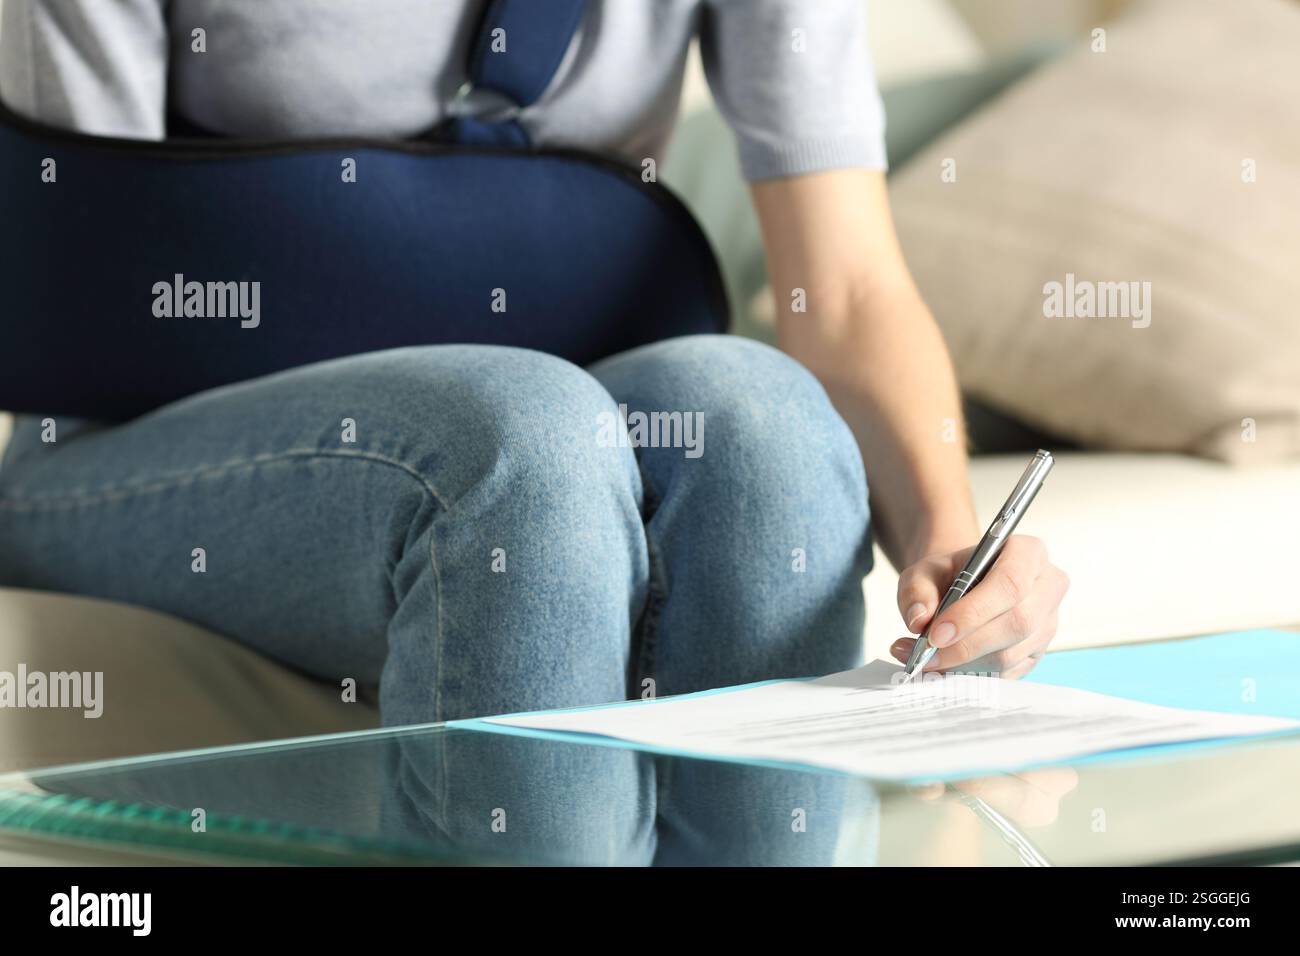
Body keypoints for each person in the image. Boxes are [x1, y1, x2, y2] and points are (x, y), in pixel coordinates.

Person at [0, 0, 1068, 726]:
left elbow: (842, 287)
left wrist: (950, 543)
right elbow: (80, 258)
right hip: (154, 441)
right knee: (520, 441)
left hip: (559, 411)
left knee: (765, 427)